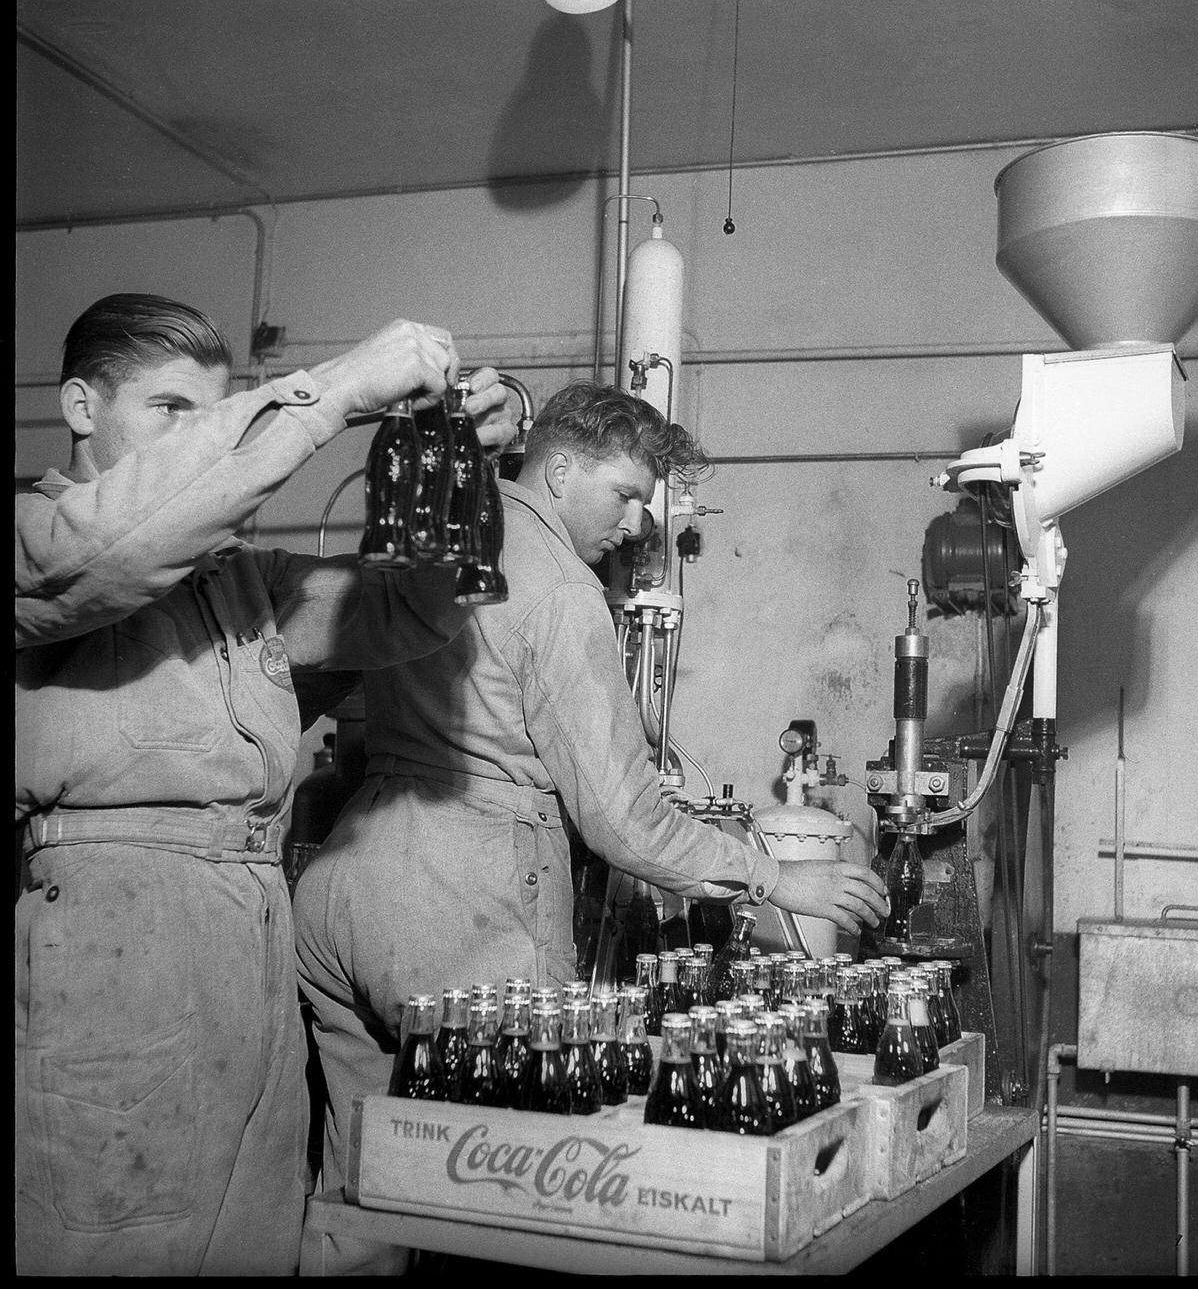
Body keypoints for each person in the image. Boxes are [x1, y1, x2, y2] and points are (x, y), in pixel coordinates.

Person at [293, 381, 890, 1273]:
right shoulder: (564, 592)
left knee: (365, 1194)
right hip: (461, 903)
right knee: (503, 1206)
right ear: (560, 466)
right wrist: (778, 880)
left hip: (347, 879)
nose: (638, 523)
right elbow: (624, 822)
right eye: (625, 494)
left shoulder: (440, 533)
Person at [14, 292, 515, 1276]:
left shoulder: (236, 576)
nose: (200, 435)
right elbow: (107, 552)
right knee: (116, 1239)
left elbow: (417, 613)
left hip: (249, 921)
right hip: (118, 937)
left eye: (214, 412)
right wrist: (328, 393)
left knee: (250, 1232)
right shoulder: (38, 533)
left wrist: (457, 459)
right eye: (171, 411)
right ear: (80, 407)